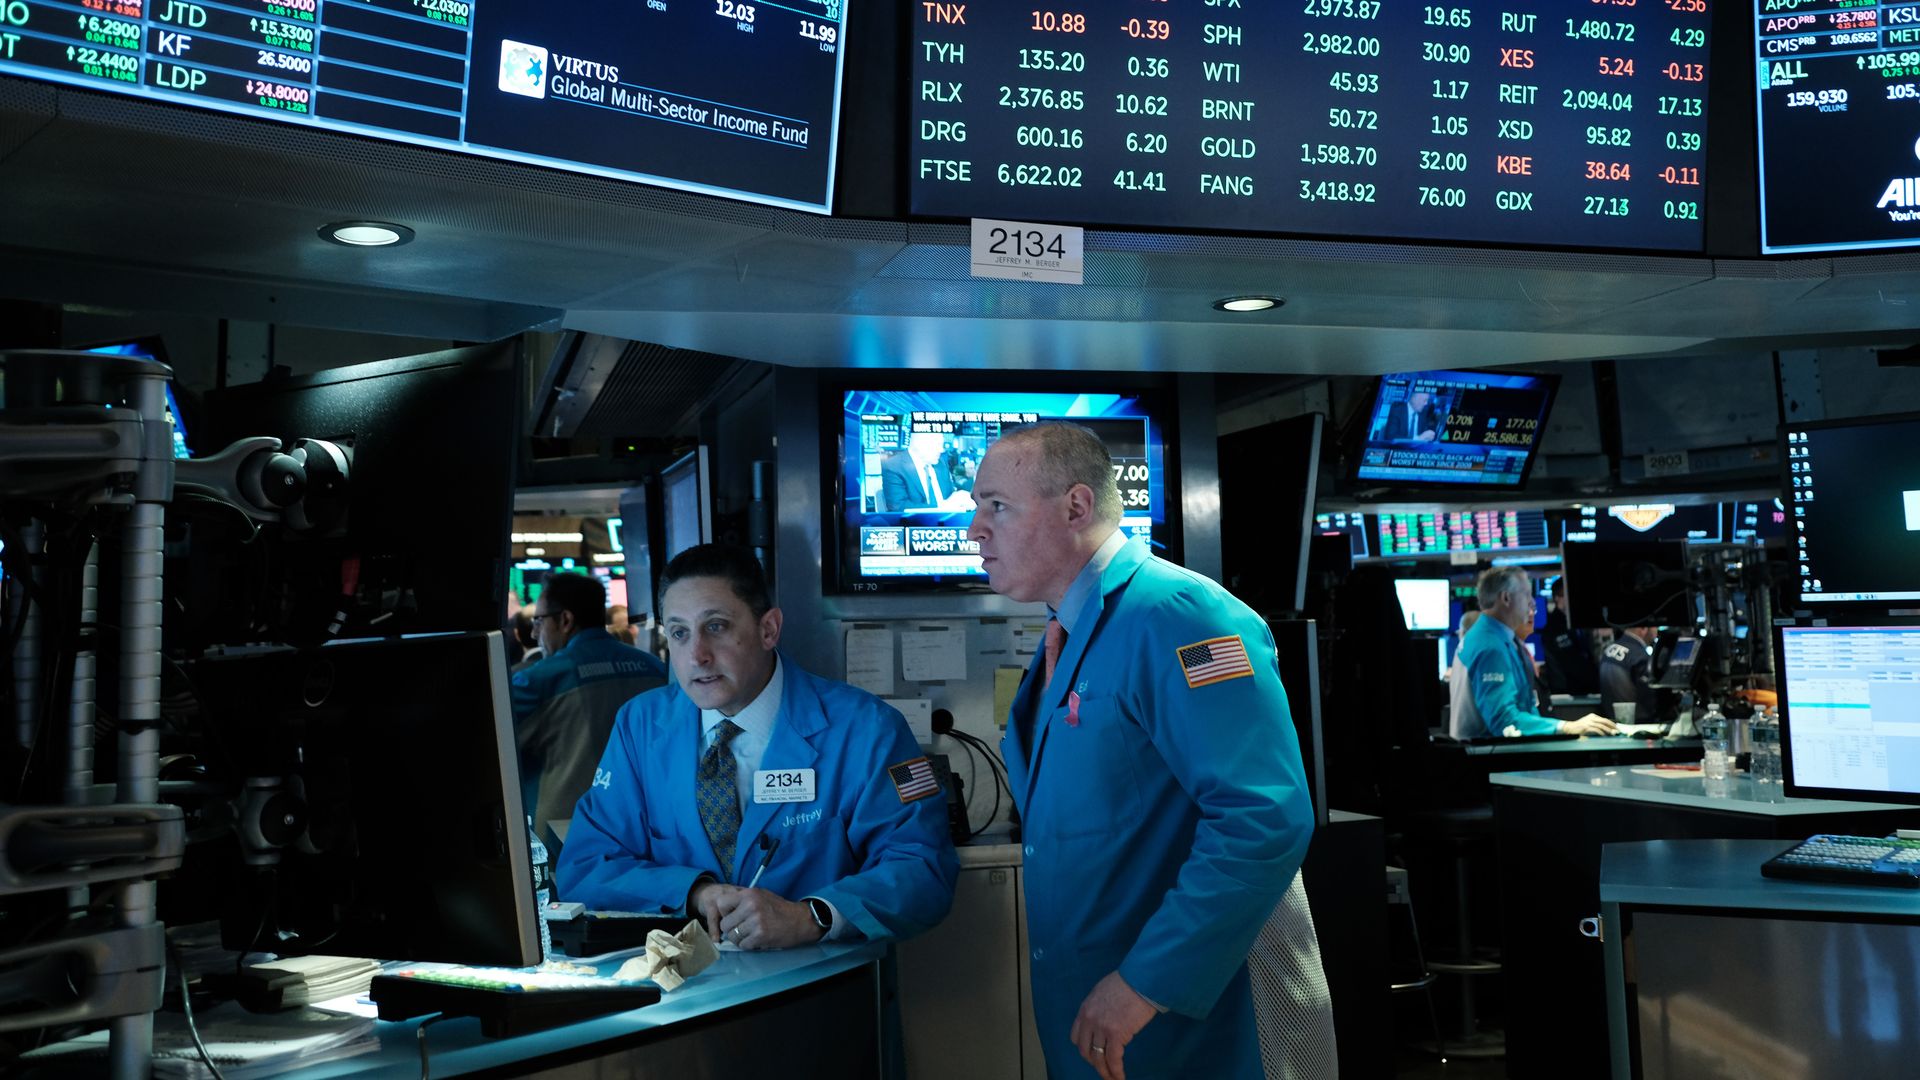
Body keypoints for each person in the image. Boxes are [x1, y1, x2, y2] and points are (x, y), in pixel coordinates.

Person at [967, 421, 1333, 1080]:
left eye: (996, 506)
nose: (974, 529)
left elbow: (1264, 817)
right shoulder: (1068, 633)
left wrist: (1146, 981)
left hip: (1188, 1026)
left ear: (1076, 507)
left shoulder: (1180, 615)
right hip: (1101, 1028)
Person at [557, 544, 957, 948]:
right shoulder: (639, 726)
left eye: (716, 627)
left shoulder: (868, 729)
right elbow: (586, 867)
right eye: (679, 633)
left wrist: (812, 916)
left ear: (769, 629)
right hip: (690, 997)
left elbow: (922, 867)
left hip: (827, 995)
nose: (697, 655)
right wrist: (694, 893)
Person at [510, 572, 669, 852]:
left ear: (565, 620)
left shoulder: (536, 682)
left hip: (568, 843)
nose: (535, 633)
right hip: (656, 833)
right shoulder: (656, 669)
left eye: (539, 621)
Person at [1454, 566, 1617, 739]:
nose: (1532, 602)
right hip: (1487, 759)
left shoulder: (1498, 638)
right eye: (1526, 594)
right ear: (1506, 598)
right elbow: (1504, 722)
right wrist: (1566, 727)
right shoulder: (1489, 645)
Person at [881, 430, 966, 511]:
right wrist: (942, 507)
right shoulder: (894, 466)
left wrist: (961, 501)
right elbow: (899, 508)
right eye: (937, 444)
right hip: (916, 523)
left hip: (949, 522)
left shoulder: (941, 464)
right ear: (919, 444)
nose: (941, 450)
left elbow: (950, 496)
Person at [1540, 577, 1599, 694]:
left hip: (1584, 691)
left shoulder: (1576, 623)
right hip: (1566, 693)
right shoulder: (1553, 627)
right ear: (1557, 598)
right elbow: (1573, 663)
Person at [1599, 625, 1660, 723]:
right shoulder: (1639, 656)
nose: (1657, 631)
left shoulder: (1609, 649)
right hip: (1638, 725)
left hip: (1611, 722)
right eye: (1655, 627)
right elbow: (1651, 700)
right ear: (1643, 629)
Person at [1446, 609, 1483, 740]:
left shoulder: (1461, 650)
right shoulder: (1475, 649)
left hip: (1460, 736)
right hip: (1474, 740)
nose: (1457, 634)